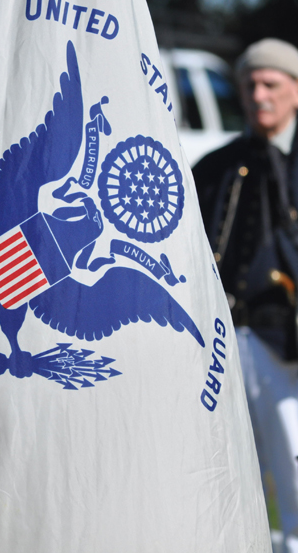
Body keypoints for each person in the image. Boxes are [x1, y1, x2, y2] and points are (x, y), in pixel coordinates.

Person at [193, 38, 298, 552]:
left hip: (288, 346)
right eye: (250, 84)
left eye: (271, 84)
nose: (259, 94)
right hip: (225, 340)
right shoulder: (216, 165)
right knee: (227, 474)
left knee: (295, 474)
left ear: (295, 91)